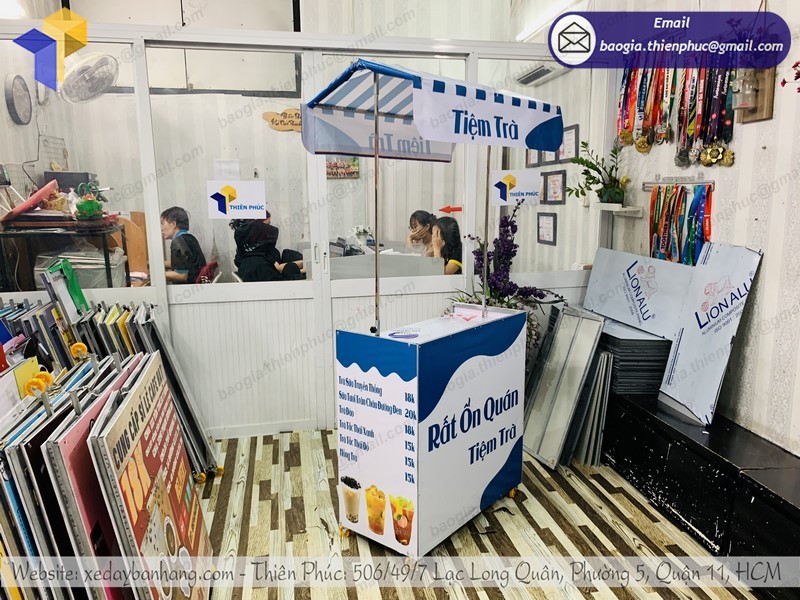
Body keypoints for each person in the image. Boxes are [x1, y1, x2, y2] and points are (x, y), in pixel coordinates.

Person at [230, 216, 305, 282]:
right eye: (267, 225)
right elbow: (276, 274)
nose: (269, 228)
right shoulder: (259, 260)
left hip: (261, 282)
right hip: (270, 288)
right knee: (291, 267)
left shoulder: (248, 254)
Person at [160, 206, 206, 284]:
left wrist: (156, 275)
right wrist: (155, 264)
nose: (161, 229)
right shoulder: (188, 238)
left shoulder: (178, 242)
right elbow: (181, 263)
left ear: (173, 224)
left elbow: (182, 275)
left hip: (188, 287)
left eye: (163, 224)